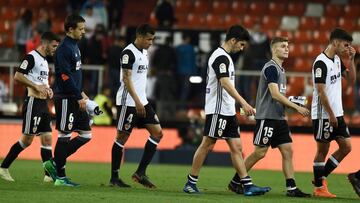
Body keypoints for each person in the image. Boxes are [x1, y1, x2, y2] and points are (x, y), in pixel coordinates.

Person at [182, 25, 270, 196]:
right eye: (241, 44)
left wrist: (236, 106)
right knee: (207, 144)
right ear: (233, 41)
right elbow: (225, 83)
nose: (242, 48)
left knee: (237, 147)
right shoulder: (220, 58)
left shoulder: (226, 58)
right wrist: (244, 103)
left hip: (227, 110)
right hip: (218, 109)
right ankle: (190, 182)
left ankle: (247, 184)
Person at [227, 37, 311, 197]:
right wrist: (296, 106)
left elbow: (279, 96)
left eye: (287, 46)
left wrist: (291, 102)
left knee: (287, 151)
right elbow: (274, 94)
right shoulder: (271, 68)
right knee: (260, 153)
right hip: (267, 117)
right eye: (283, 46)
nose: (287, 49)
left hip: (279, 118)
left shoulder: (281, 70)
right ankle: (236, 181)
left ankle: (291, 188)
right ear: (274, 49)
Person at [0, 32, 60, 182]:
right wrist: (35, 86)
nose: (55, 49)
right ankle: (3, 167)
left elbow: (41, 82)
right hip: (33, 103)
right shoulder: (31, 57)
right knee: (26, 140)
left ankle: (48, 175)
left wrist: (47, 89)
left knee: (47, 139)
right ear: (45, 43)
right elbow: (18, 76)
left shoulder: (45, 61)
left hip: (43, 104)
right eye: (53, 46)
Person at [110, 24, 163, 188]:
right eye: (149, 39)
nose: (151, 42)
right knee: (121, 138)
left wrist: (142, 100)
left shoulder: (145, 52)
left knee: (157, 133)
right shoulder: (128, 53)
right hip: (128, 102)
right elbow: (126, 79)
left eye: (153, 39)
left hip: (143, 101)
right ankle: (114, 178)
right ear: (139, 37)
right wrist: (137, 101)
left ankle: (140, 173)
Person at [43, 14, 92, 187]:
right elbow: (64, 76)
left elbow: (74, 74)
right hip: (65, 97)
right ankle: (60, 177)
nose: (83, 32)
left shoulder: (75, 46)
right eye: (81, 29)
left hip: (75, 96)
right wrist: (78, 96)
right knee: (65, 135)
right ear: (70, 29)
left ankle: (54, 163)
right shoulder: (64, 48)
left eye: (84, 29)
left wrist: (82, 93)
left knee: (86, 134)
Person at [311, 28, 356, 198]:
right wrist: (330, 114)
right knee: (323, 150)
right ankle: (319, 188)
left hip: (337, 113)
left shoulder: (337, 59)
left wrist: (351, 60)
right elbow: (321, 92)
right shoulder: (320, 63)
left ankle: (319, 179)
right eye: (346, 44)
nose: (347, 47)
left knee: (346, 147)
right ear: (335, 42)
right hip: (324, 115)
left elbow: (351, 80)